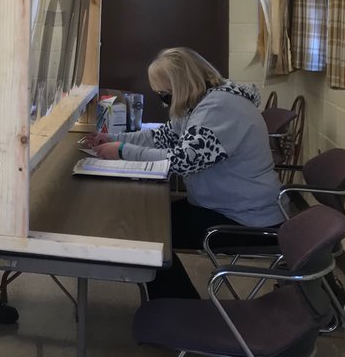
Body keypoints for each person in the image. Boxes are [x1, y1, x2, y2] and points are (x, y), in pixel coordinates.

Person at [83, 47, 281, 299]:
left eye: (165, 94)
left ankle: (179, 307)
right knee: (147, 223)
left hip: (244, 219)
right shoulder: (201, 103)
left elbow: (184, 161)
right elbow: (162, 137)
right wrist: (112, 138)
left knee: (147, 234)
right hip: (223, 206)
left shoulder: (220, 108)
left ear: (182, 85)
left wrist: (122, 151)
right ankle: (173, 304)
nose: (164, 100)